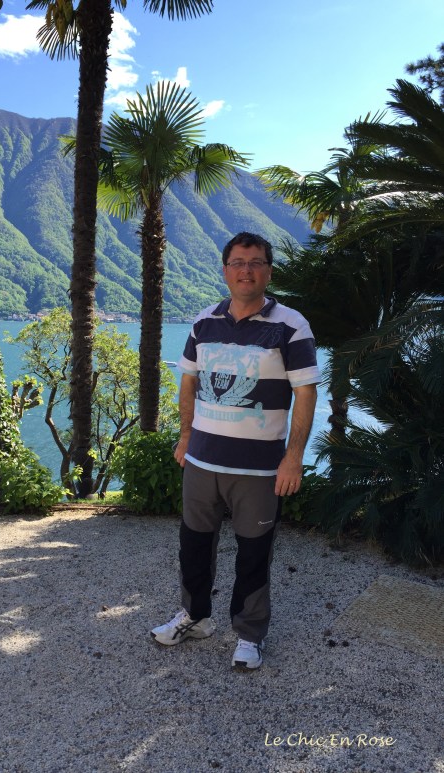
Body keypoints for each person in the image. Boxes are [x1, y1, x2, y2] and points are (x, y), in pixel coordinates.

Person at [151, 232, 320, 670]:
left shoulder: (291, 326)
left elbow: (306, 393)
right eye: (238, 263)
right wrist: (185, 437)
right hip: (201, 461)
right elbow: (188, 381)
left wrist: (293, 458)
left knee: (254, 553)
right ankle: (195, 617)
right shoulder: (203, 321)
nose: (247, 271)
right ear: (225, 270)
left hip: (259, 469)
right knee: (193, 545)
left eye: (256, 262)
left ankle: (249, 634)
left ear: (268, 271)